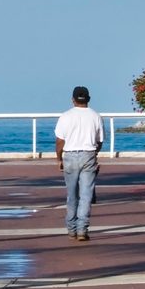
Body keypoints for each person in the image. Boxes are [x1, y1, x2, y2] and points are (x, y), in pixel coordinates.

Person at [53, 85, 103, 241]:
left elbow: (60, 141)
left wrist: (59, 158)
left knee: (72, 194)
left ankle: (71, 228)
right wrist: (94, 153)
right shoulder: (95, 116)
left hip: (70, 155)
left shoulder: (65, 116)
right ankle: (82, 229)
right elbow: (99, 141)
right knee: (86, 195)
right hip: (88, 154)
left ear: (73, 99)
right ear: (88, 99)